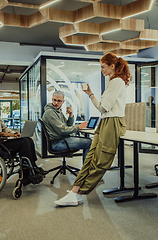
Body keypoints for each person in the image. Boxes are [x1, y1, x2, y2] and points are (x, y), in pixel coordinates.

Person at [54, 52, 130, 206]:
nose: (101, 70)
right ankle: (75, 191)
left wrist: (91, 95)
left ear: (112, 66)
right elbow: (104, 108)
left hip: (112, 123)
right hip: (105, 122)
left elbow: (103, 107)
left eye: (103, 67)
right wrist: (90, 94)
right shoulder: (112, 82)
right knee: (90, 159)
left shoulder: (117, 83)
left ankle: (80, 192)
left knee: (100, 161)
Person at [0, 85, 45, 185]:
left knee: (28, 139)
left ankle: (33, 167)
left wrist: (13, 133)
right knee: (24, 143)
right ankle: (27, 174)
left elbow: (3, 126)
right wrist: (0, 133)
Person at [42, 90, 92, 162]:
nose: (56, 103)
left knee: (88, 141)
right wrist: (78, 127)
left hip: (62, 140)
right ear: (52, 99)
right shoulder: (50, 112)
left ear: (63, 101)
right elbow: (62, 130)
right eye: (54, 100)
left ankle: (86, 169)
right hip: (57, 143)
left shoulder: (58, 111)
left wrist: (71, 115)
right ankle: (86, 171)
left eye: (59, 101)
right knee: (89, 142)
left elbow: (68, 125)